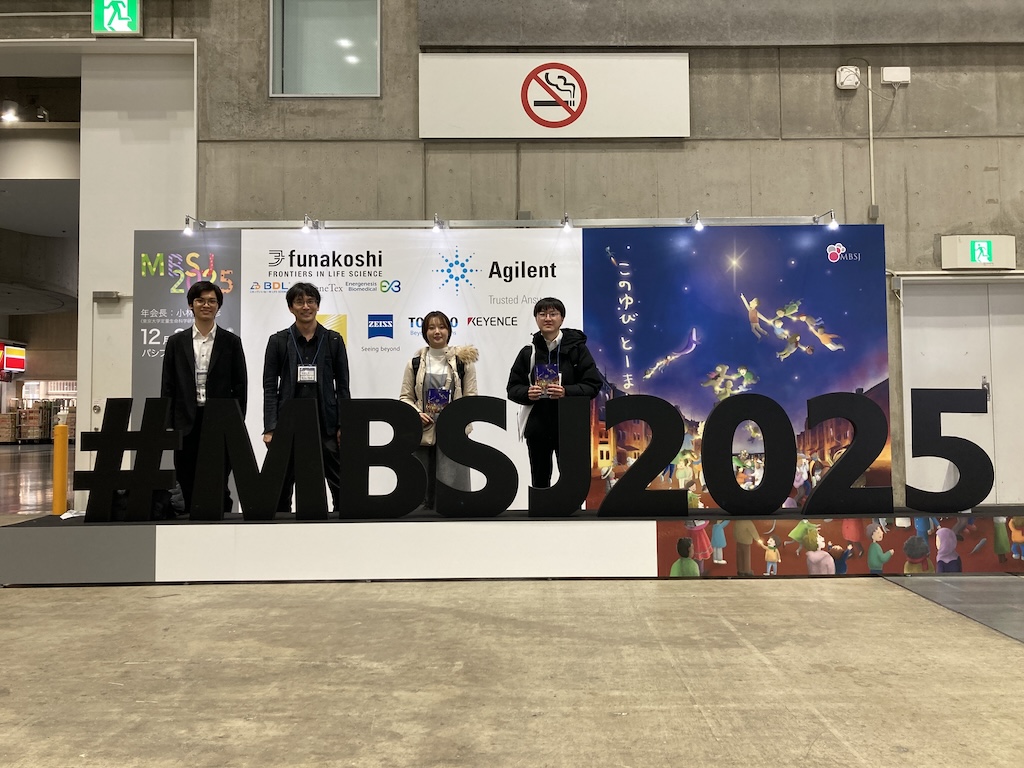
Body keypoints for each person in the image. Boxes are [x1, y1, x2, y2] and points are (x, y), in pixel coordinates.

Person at [161, 280, 247, 515]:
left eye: (212, 301)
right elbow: (168, 385)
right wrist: (168, 424)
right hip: (185, 422)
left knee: (219, 479)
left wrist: (236, 421)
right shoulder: (176, 342)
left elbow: (240, 386)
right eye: (200, 300)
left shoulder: (231, 342)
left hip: (219, 421)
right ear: (191, 304)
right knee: (186, 478)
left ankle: (222, 525)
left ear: (218, 306)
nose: (206, 305)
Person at [263, 282, 350, 514]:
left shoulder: (333, 340)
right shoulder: (278, 341)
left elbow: (343, 387)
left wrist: (343, 424)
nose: (306, 306)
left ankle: (345, 527)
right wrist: (270, 427)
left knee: (341, 484)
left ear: (318, 306)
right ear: (291, 307)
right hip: (288, 424)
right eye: (299, 302)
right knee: (281, 487)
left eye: (311, 301)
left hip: (326, 423)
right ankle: (281, 530)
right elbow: (270, 388)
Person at [506, 297, 602, 488]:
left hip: (570, 425)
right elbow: (513, 388)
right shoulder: (528, 352)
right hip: (538, 425)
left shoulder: (578, 350)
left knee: (572, 481)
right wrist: (527, 393)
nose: (547, 318)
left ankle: (570, 507)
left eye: (553, 314)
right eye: (542, 314)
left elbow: (593, 385)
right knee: (540, 480)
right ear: (536, 318)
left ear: (562, 318)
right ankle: (542, 508)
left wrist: (566, 391)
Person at [399, 310, 478, 510]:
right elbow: (405, 397)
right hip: (423, 431)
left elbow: (471, 397)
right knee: (420, 490)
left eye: (442, 327)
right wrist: (416, 414)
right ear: (425, 332)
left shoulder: (463, 362)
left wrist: (456, 416)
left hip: (453, 432)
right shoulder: (414, 364)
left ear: (449, 331)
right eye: (431, 327)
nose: (437, 331)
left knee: (453, 493)